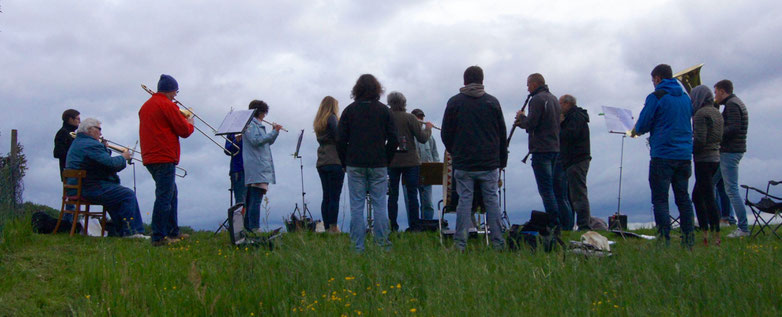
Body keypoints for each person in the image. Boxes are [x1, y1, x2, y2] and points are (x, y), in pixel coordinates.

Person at [441, 65, 507, 251]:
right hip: (489, 161)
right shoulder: (492, 102)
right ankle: (498, 243)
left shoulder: (454, 103)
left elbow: (446, 133)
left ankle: (460, 244)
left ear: (464, 81)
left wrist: (455, 152)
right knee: (492, 202)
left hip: (464, 162)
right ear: (482, 80)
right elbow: (501, 133)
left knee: (464, 201)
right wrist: (501, 161)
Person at [630, 64, 694, 247]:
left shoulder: (656, 96)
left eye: (653, 80)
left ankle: (664, 240)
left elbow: (642, 125)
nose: (653, 84)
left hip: (663, 154)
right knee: (683, 197)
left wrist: (636, 130)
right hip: (684, 155)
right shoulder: (685, 97)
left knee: (660, 199)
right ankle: (688, 239)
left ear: (657, 78)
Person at [337, 74, 398, 252]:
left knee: (357, 206)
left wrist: (344, 162)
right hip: (378, 163)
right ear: (377, 90)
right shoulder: (384, 111)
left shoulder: (349, 111)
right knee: (380, 204)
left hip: (355, 163)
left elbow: (340, 140)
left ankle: (357, 247)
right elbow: (394, 139)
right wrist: (386, 159)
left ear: (357, 89)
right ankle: (383, 245)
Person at [65, 118, 146, 238]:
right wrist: (123, 157)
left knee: (116, 194)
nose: (101, 133)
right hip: (89, 188)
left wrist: (105, 149)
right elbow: (111, 164)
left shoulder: (79, 142)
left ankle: (123, 232)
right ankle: (132, 232)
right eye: (99, 129)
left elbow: (100, 164)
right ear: (90, 129)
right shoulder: (91, 144)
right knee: (127, 194)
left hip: (80, 186)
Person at [139, 74, 194, 246]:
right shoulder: (167, 105)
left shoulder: (146, 106)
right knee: (164, 196)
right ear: (171, 90)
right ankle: (159, 236)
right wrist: (190, 121)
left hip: (150, 156)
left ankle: (172, 231)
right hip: (164, 155)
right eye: (175, 92)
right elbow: (184, 131)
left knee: (171, 193)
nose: (175, 96)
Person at [514, 73, 562, 243]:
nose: (527, 88)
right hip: (555, 148)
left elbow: (531, 124)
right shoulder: (554, 99)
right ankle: (559, 223)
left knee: (546, 190)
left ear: (534, 84)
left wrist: (521, 118)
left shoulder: (536, 100)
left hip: (541, 149)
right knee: (555, 189)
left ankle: (554, 225)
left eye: (528, 84)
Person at [387, 92, 433, 232]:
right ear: (404, 103)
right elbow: (422, 138)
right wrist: (428, 128)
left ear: (390, 103)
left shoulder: (386, 117)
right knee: (413, 194)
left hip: (392, 161)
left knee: (393, 195)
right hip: (411, 162)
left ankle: (393, 226)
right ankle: (415, 226)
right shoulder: (410, 118)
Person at [712, 79, 750, 238]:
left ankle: (743, 228)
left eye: (716, 92)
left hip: (730, 152)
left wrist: (715, 132)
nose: (715, 96)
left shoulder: (732, 105)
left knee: (731, 190)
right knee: (709, 183)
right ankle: (711, 219)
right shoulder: (735, 102)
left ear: (722, 91)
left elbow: (733, 128)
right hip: (731, 151)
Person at [690, 85, 723, 245]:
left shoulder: (700, 114)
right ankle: (710, 232)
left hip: (703, 159)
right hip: (715, 158)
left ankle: (711, 235)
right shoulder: (717, 112)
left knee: (707, 197)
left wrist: (689, 148)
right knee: (699, 196)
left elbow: (700, 140)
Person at [243, 100, 282, 231]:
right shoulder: (250, 125)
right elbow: (256, 140)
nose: (265, 116)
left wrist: (274, 132)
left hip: (260, 166)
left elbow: (266, 142)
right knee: (255, 199)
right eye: (264, 113)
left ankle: (250, 227)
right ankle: (253, 227)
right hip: (256, 166)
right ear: (260, 112)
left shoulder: (257, 125)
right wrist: (271, 133)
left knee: (255, 197)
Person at [557, 94, 592, 231]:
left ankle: (584, 225)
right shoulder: (577, 116)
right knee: (573, 194)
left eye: (560, 104)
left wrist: (560, 125)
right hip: (574, 160)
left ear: (566, 104)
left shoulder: (575, 117)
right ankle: (574, 224)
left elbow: (568, 136)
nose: (558, 107)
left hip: (576, 159)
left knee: (578, 194)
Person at [314, 96, 344, 233]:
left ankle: (326, 227)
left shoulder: (319, 122)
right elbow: (339, 137)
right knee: (334, 196)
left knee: (326, 195)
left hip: (321, 160)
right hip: (334, 159)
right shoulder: (332, 118)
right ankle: (333, 226)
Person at [410, 108, 440, 220]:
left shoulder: (429, 136)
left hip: (427, 173)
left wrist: (436, 170)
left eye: (421, 117)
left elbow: (435, 154)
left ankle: (427, 225)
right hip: (410, 171)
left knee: (427, 202)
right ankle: (414, 227)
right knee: (411, 202)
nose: (420, 119)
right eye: (417, 117)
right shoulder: (408, 135)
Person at [54, 109, 81, 178]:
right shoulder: (63, 133)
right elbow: (57, 153)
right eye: (78, 119)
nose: (79, 122)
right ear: (70, 119)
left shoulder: (73, 133)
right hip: (70, 172)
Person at [224, 133, 245, 206]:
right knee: (240, 202)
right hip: (238, 169)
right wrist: (236, 140)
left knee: (252, 202)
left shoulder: (251, 127)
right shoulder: (232, 130)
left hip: (251, 169)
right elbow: (227, 150)